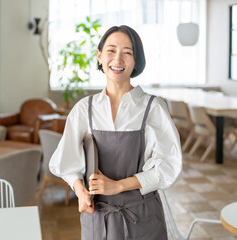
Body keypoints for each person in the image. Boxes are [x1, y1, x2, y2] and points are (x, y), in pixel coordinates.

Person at [49, 25, 182, 240]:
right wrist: (81, 192)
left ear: (136, 61)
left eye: (127, 52)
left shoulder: (153, 108)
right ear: (99, 56)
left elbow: (169, 167)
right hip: (98, 219)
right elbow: (66, 162)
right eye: (111, 51)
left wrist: (118, 186)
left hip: (142, 217)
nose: (118, 59)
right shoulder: (85, 108)